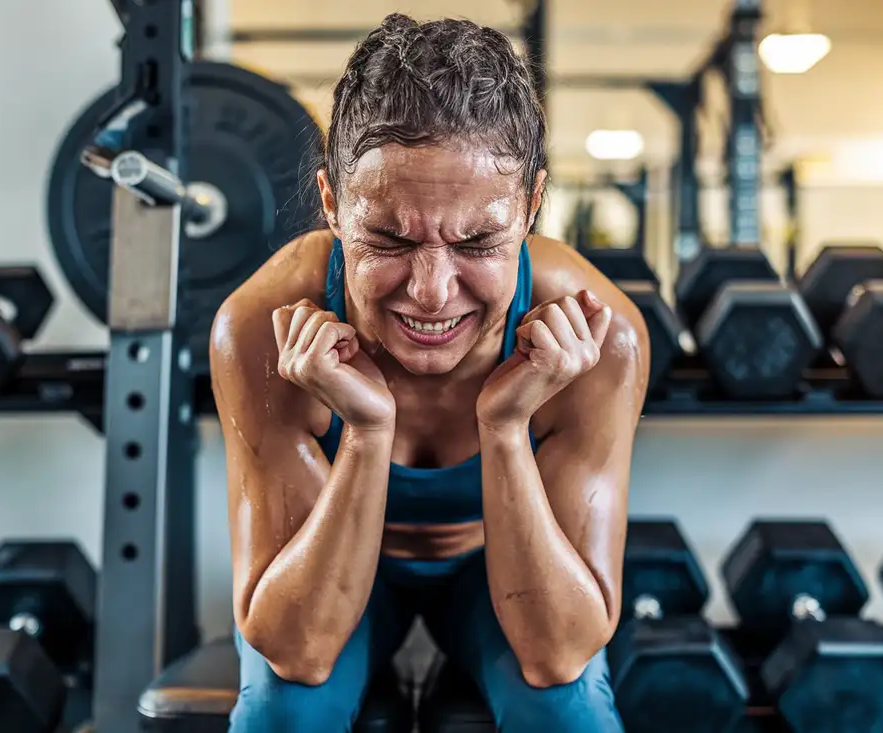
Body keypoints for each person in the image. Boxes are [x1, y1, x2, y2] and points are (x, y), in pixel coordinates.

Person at [210, 12, 649, 733]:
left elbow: (558, 653)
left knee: (568, 715)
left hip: (496, 575)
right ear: (331, 204)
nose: (432, 290)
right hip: (340, 570)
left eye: (476, 241)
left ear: (531, 206)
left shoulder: (605, 337)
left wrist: (505, 428)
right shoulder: (259, 327)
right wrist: (366, 429)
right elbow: (297, 650)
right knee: (281, 714)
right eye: (387, 237)